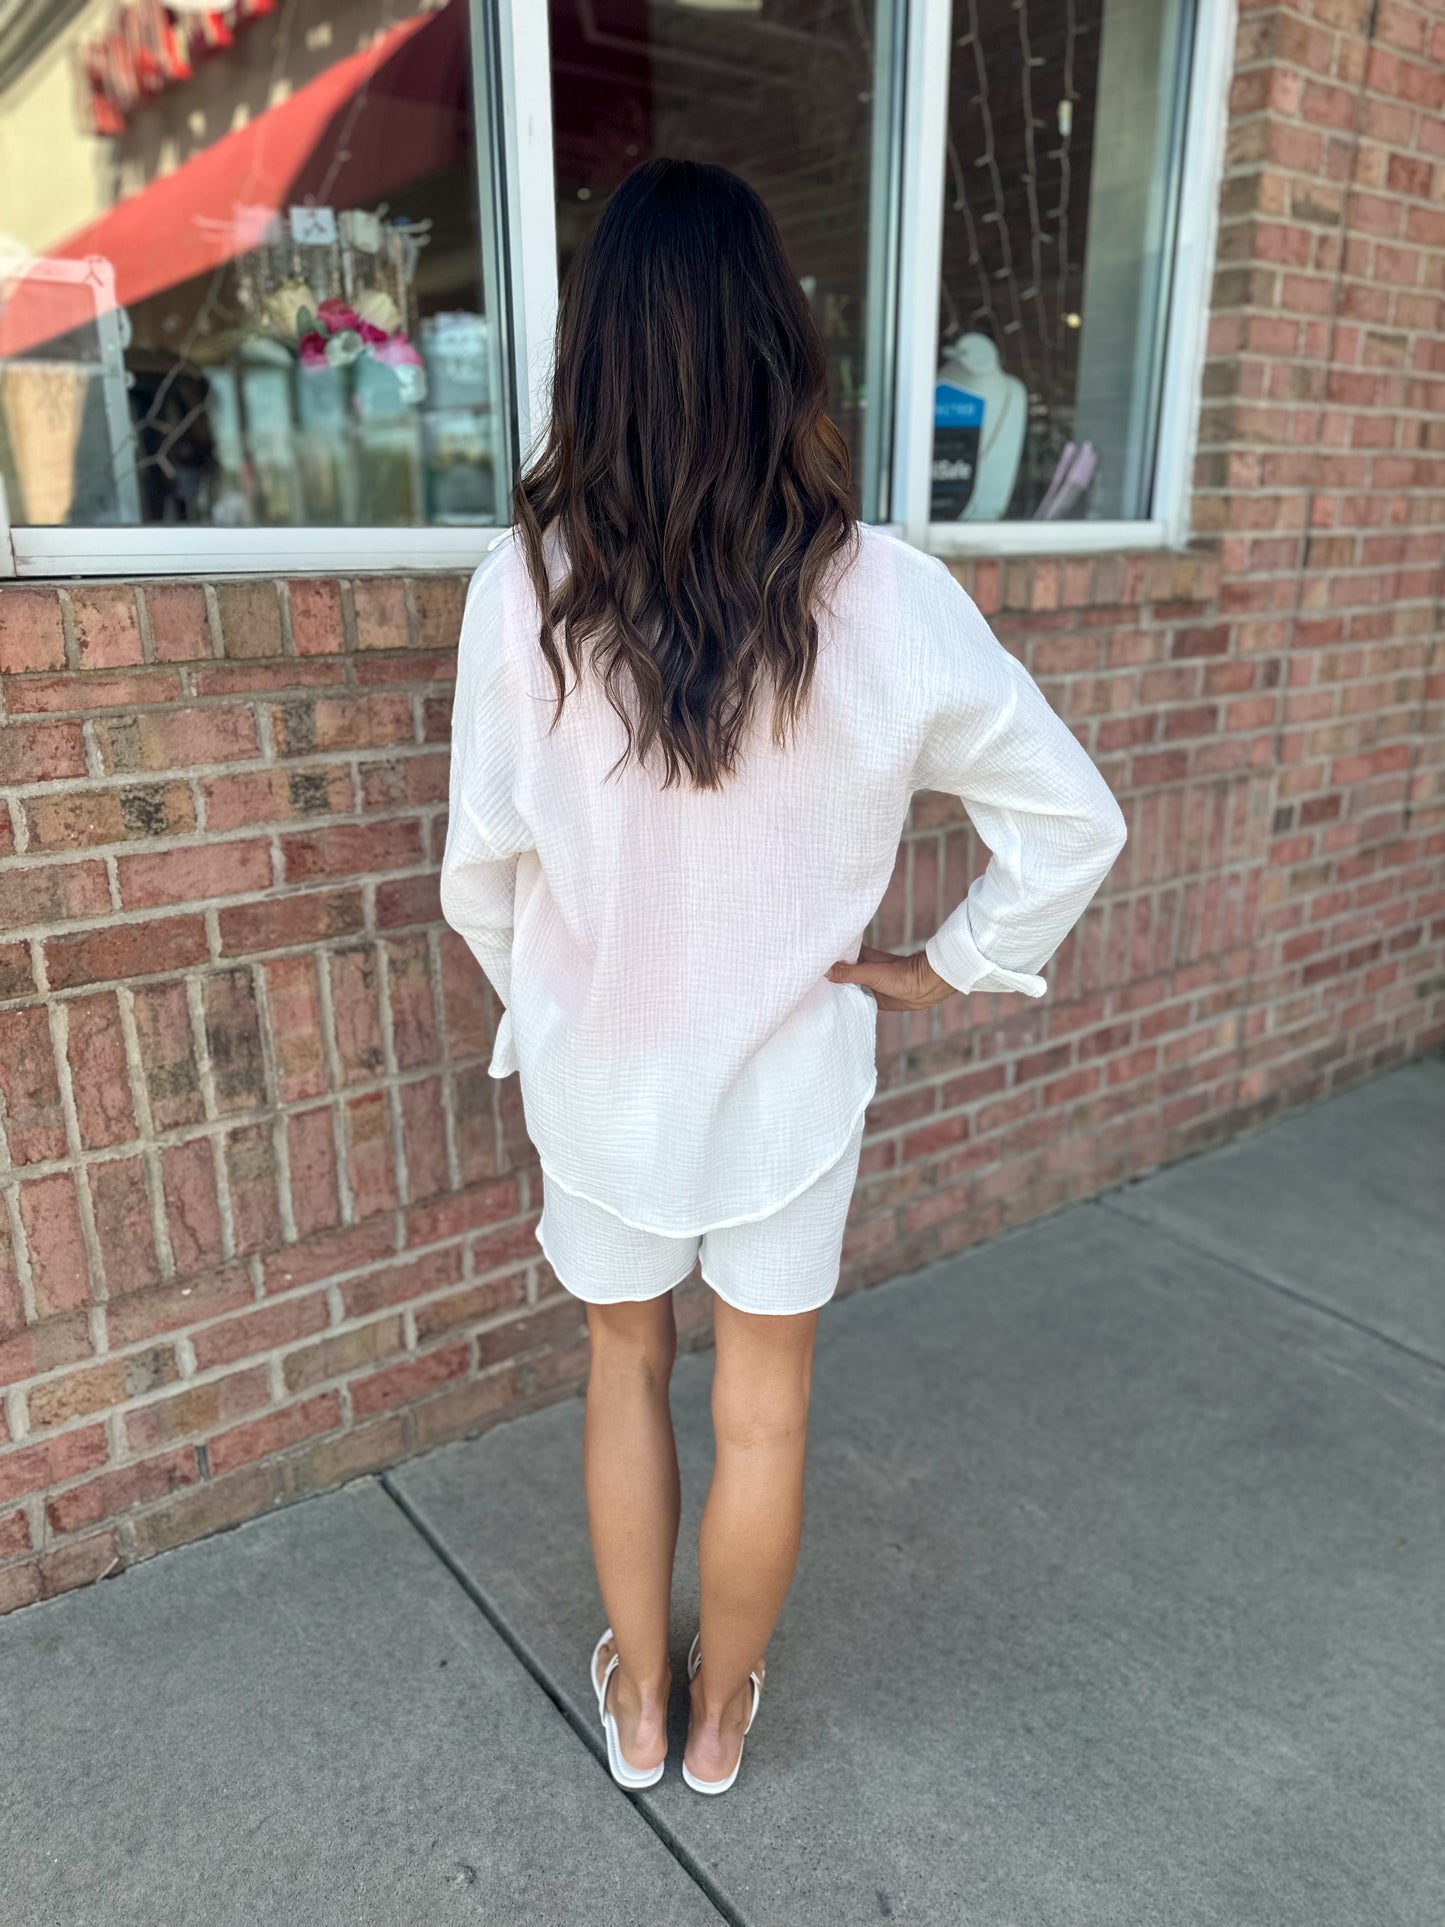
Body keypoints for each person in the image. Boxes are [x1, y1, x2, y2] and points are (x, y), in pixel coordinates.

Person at [440, 158, 1128, 1797]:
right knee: (764, 1407)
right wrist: (947, 967)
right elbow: (1072, 823)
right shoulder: (885, 594)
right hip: (793, 1090)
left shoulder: (521, 593)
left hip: (602, 1080)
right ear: (780, 347)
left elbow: (479, 876)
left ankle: (636, 1707)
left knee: (624, 1365)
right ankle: (719, 1717)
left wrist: (543, 1004)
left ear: (592, 356)